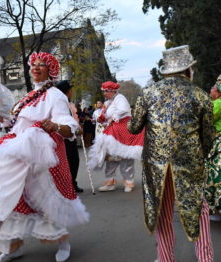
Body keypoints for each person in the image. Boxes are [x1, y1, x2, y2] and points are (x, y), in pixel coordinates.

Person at [0, 52, 89, 262]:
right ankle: (13, 247)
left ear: (51, 70)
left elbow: (67, 124)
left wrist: (55, 126)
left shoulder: (55, 95)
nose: (35, 68)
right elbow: (15, 124)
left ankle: (63, 243)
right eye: (33, 65)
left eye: (41, 65)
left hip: (43, 155)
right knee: (7, 197)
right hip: (17, 150)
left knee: (48, 200)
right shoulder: (29, 96)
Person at [128, 45, 215, 262]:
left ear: (165, 71)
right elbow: (208, 136)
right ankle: (205, 257)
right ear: (188, 70)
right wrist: (201, 157)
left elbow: (133, 128)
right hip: (190, 161)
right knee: (199, 208)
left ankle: (166, 258)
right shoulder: (200, 94)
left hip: (156, 164)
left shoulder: (148, 93)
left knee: (162, 212)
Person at [88, 81, 144, 193]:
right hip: (112, 131)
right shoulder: (108, 102)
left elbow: (122, 110)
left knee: (126, 157)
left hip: (123, 130)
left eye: (106, 91)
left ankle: (129, 182)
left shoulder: (120, 98)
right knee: (110, 158)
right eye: (104, 91)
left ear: (113, 91)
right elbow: (105, 115)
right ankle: (110, 182)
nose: (105, 94)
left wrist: (113, 117)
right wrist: (101, 118)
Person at [55, 80, 84, 193]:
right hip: (64, 136)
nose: (72, 91)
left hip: (69, 135)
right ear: (67, 91)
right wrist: (76, 130)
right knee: (70, 161)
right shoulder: (61, 102)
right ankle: (68, 184)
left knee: (73, 160)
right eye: (70, 89)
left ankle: (72, 182)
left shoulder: (67, 102)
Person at [205, 74, 221, 222]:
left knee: (214, 174)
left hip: (218, 143)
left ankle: (215, 208)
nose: (210, 89)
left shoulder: (217, 104)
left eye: (213, 87)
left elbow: (206, 121)